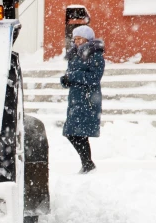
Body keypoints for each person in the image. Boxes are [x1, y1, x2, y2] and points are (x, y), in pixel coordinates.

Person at [60, 25, 105, 174]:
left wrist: (73, 76)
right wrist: (65, 80)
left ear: (88, 39)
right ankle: (87, 164)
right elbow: (71, 74)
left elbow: (94, 78)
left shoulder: (95, 54)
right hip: (75, 98)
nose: (77, 41)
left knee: (77, 133)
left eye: (80, 38)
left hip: (88, 99)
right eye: (75, 39)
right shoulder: (74, 55)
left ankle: (87, 164)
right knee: (73, 132)